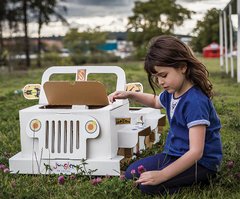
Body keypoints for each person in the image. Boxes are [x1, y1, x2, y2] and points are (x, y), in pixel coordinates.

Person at [108, 35, 222, 195]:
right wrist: (130, 95)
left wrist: (162, 175)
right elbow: (155, 101)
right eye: (156, 77)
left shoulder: (195, 101)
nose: (160, 82)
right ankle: (172, 178)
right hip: (175, 154)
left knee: (148, 186)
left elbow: (196, 152)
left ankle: (198, 181)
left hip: (201, 163)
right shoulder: (172, 92)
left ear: (182, 67)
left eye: (164, 75)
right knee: (131, 173)